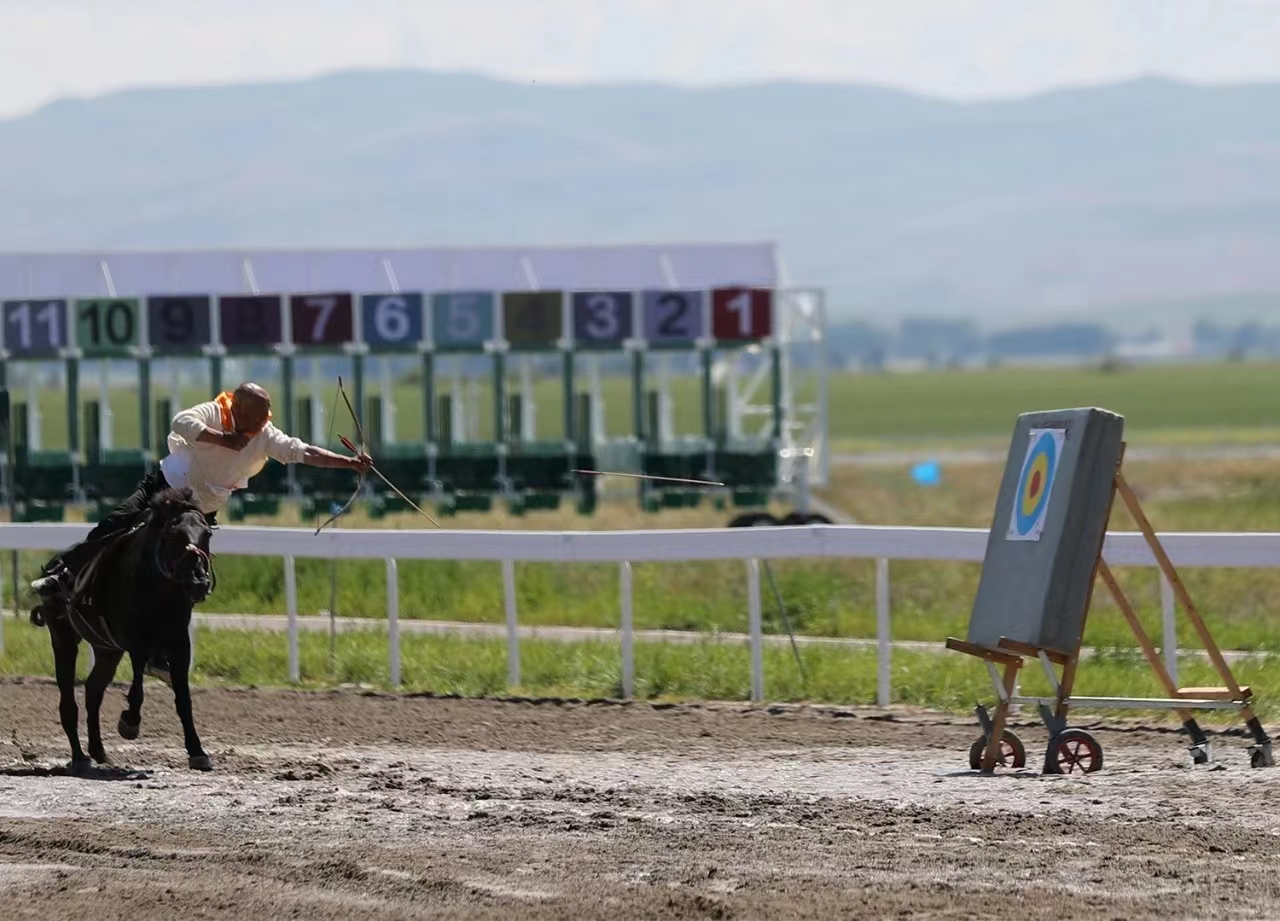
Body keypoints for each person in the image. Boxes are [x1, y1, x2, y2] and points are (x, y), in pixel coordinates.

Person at [32, 382, 372, 681]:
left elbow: (302, 451)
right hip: (164, 491)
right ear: (237, 409)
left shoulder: (264, 434)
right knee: (115, 524)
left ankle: (160, 651)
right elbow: (181, 421)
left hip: (199, 511)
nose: (261, 426)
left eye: (264, 419)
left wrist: (349, 462)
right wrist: (224, 439)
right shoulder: (214, 411)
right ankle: (65, 574)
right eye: (255, 419)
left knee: (189, 578)